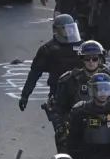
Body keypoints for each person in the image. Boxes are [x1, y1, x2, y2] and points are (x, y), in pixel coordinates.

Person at [19, 13, 86, 147]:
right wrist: (25, 95)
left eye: (71, 29)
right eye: (64, 29)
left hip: (83, 94)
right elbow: (34, 73)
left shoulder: (84, 47)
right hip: (59, 96)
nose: (68, 32)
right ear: (56, 30)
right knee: (62, 135)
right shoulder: (48, 50)